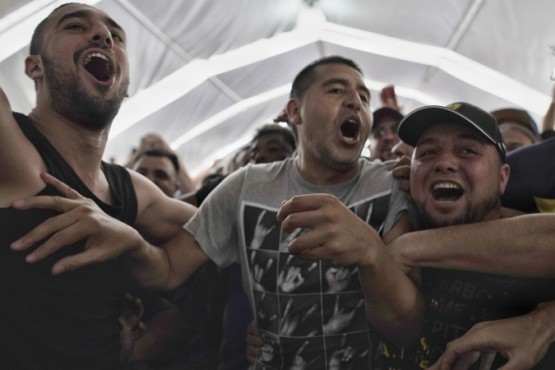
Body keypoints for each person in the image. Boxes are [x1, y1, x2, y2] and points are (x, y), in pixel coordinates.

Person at [16, 55, 417, 369]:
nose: (355, 102)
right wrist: (130, 241)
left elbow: (406, 327)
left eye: (363, 97)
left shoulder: (391, 185)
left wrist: (370, 250)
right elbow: (170, 268)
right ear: (293, 111)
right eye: (336, 90)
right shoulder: (247, 187)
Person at [275, 102, 555, 369]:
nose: (444, 162)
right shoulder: (385, 226)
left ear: (503, 177)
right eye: (428, 153)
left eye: (468, 151)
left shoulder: (533, 253)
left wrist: (543, 322)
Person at [1, 3, 196, 369]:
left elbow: (219, 226)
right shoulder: (12, 146)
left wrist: (138, 248)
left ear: (126, 83)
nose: (103, 35)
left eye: (116, 36)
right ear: (34, 66)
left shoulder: (130, 190)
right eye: (74, 26)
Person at [130, 148, 226, 369]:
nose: (149, 179)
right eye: (141, 172)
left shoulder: (196, 239)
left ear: (176, 186)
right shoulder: (108, 234)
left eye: (161, 175)